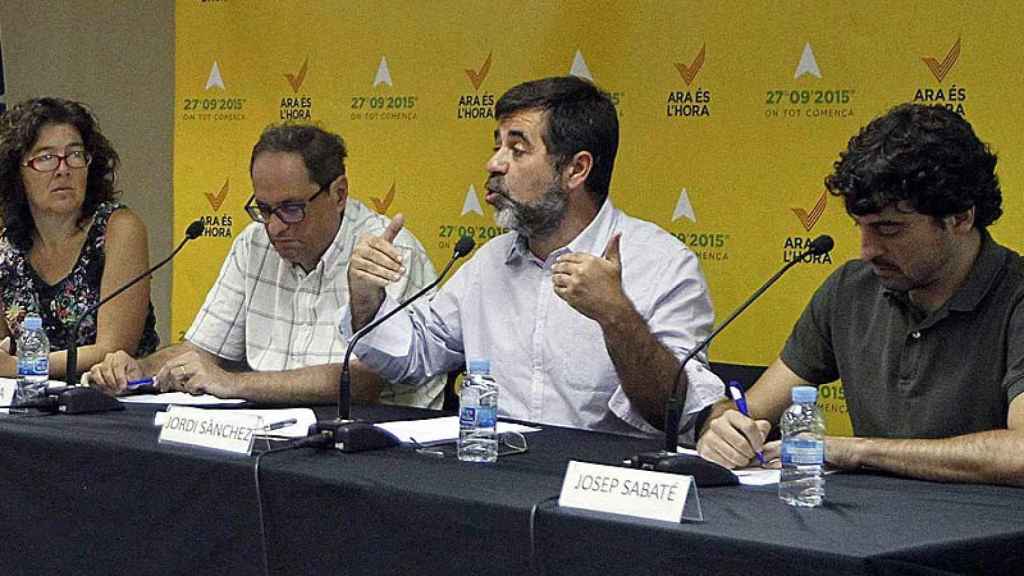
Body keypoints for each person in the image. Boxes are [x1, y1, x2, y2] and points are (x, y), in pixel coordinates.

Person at [342, 76, 723, 437]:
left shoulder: (663, 264)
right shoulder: (490, 261)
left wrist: (616, 315)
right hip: (497, 479)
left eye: (517, 149)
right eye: (497, 146)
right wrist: (366, 298)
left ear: (576, 169)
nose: (494, 164)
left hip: (603, 488)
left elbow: (676, 411)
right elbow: (416, 356)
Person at [697, 103, 1024, 486]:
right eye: (860, 227)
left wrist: (856, 450)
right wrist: (722, 428)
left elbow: (1020, 454)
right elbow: (750, 411)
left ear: (961, 218)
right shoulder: (851, 288)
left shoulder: (1014, 295)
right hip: (868, 531)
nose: (867, 250)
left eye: (889, 229)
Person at [89, 123, 441, 407]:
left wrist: (232, 383)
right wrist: (141, 367)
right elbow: (203, 349)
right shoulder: (253, 243)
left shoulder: (387, 250)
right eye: (265, 209)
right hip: (277, 434)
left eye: (291, 208)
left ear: (338, 194)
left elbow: (362, 381)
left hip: (378, 438)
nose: (274, 226)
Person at [0, 97, 159, 379]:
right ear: (17, 172)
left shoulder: (118, 229)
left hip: (113, 403)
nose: (63, 169)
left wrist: (22, 367)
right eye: (46, 158)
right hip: (29, 407)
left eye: (75, 154)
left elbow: (113, 349)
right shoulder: (7, 247)